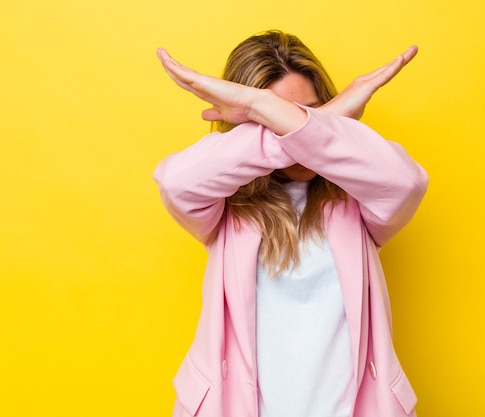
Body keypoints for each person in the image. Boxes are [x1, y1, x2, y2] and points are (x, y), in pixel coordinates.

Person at [154, 30, 429, 417]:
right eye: (272, 117)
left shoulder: (356, 200)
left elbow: (407, 182)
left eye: (311, 113)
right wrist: (288, 117)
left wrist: (275, 114)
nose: (294, 127)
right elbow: (174, 181)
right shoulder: (225, 208)